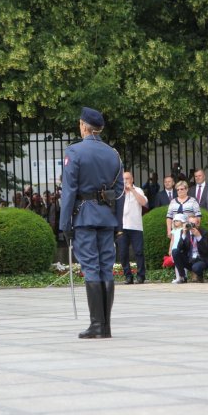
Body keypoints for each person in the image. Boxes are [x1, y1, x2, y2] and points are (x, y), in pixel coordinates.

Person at [60, 107, 124, 339]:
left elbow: (69, 191)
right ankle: (105, 326)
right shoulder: (113, 154)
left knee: (91, 268)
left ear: (84, 127)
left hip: (84, 216)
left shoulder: (74, 152)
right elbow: (120, 192)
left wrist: (64, 222)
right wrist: (118, 224)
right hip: (107, 217)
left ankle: (97, 325)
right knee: (106, 268)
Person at [118, 171, 147, 284]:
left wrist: (132, 190)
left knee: (139, 252)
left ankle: (141, 276)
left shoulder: (138, 190)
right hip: (122, 227)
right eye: (124, 179)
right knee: (123, 253)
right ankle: (128, 276)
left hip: (136, 226)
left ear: (132, 179)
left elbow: (144, 202)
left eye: (128, 178)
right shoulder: (119, 192)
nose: (125, 181)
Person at [171, 214, 208, 283]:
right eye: (190, 223)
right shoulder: (184, 232)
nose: (191, 226)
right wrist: (184, 234)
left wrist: (199, 237)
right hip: (189, 259)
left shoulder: (203, 232)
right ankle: (182, 277)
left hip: (200, 259)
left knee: (196, 267)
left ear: (198, 224)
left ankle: (200, 276)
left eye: (193, 224)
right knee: (175, 251)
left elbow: (206, 250)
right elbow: (179, 248)